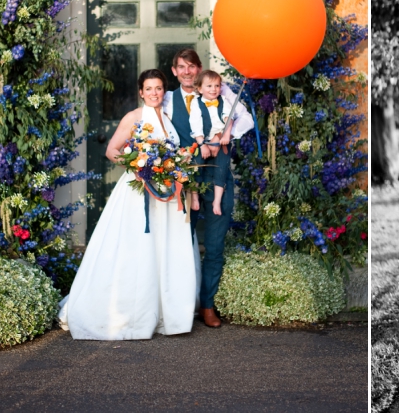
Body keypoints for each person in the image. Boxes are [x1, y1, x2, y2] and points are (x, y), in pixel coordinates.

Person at [58, 69, 196, 339]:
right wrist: (137, 165)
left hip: (166, 195)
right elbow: (112, 150)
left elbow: (172, 153)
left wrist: (177, 162)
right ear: (141, 92)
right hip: (139, 192)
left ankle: (164, 310)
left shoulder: (167, 118)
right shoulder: (134, 117)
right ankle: (129, 312)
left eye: (158, 88)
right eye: (149, 88)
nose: (154, 93)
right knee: (137, 247)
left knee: (162, 247)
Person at [162, 49, 254, 328]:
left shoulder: (221, 91)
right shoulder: (166, 99)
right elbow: (159, 133)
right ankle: (178, 305)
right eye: (182, 67)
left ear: (199, 69)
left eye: (193, 67)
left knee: (214, 246)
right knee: (178, 245)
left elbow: (246, 120)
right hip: (183, 181)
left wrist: (224, 136)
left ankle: (207, 305)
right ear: (175, 71)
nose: (188, 71)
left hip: (218, 181)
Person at [189, 70, 235, 217]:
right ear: (199, 89)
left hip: (221, 142)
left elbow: (229, 118)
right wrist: (202, 144)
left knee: (221, 170)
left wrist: (226, 135)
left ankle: (217, 200)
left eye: (217, 85)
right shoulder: (196, 104)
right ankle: (194, 196)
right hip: (202, 141)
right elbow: (195, 125)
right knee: (196, 167)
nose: (214, 89)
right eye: (209, 86)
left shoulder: (223, 101)